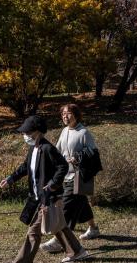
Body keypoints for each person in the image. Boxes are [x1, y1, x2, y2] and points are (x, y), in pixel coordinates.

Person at [0, 115, 88, 263]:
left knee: (34, 231)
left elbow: (62, 166)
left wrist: (53, 184)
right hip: (37, 198)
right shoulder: (33, 149)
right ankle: (77, 251)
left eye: (27, 132)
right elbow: (25, 167)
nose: (24, 135)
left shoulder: (48, 148)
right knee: (58, 225)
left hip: (50, 198)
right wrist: (10, 179)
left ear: (38, 132)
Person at [40, 104, 101, 254]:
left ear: (76, 115)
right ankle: (93, 229)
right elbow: (58, 150)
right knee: (81, 202)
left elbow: (93, 151)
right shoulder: (64, 131)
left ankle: (58, 241)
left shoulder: (83, 132)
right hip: (65, 176)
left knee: (67, 206)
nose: (65, 117)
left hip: (78, 176)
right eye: (63, 114)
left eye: (69, 113)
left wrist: (78, 157)